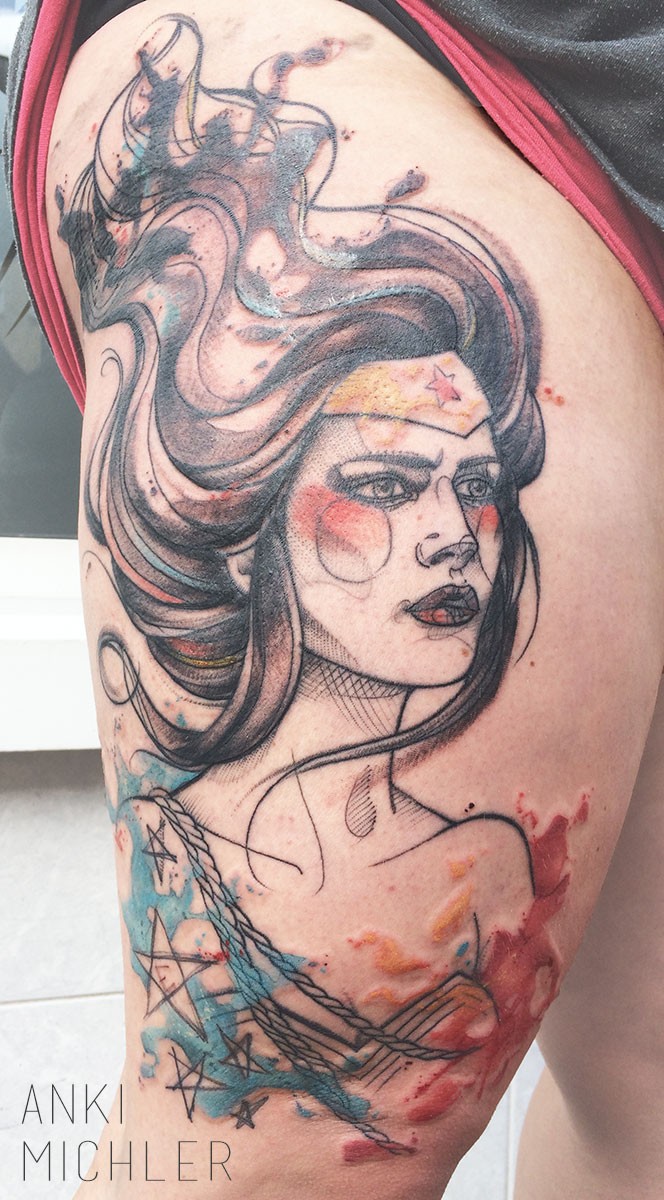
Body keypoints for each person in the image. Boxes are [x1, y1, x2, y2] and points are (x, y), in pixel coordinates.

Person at [7, 0, 664, 1196]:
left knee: (648, 1082)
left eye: (475, 487)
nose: (452, 537)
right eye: (382, 485)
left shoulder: (481, 854)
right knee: (285, 1159)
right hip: (434, 37)